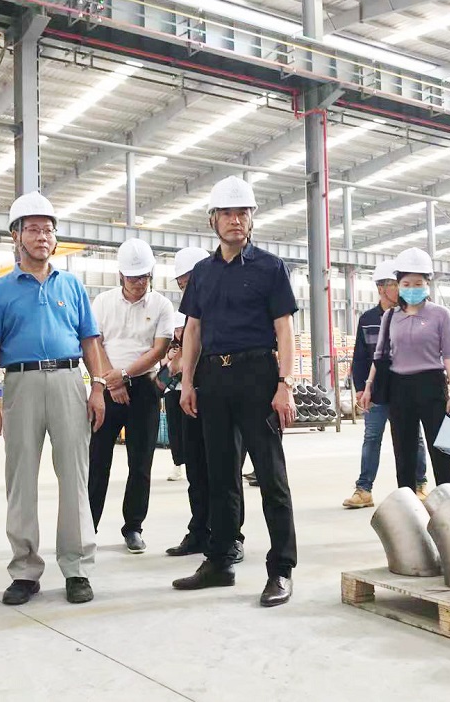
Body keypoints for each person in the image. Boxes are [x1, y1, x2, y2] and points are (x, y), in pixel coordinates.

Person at [174, 176, 299, 608]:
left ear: (252, 219)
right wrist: (187, 382)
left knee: (270, 476)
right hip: (214, 380)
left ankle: (281, 569)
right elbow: (193, 330)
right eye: (227, 213)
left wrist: (284, 384)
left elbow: (285, 329)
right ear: (212, 220)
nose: (235, 220)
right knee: (220, 476)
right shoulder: (203, 274)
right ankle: (220, 560)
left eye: (242, 213)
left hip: (257, 376)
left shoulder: (270, 267)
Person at [0, 191, 106, 606]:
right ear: (15, 236)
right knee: (21, 479)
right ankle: (25, 570)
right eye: (32, 229)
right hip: (21, 384)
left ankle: (77, 567)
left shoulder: (72, 285)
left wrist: (98, 387)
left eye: (48, 230)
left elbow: (90, 341)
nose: (42, 237)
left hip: (69, 380)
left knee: (75, 476)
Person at [88, 239, 173, 554]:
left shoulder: (161, 305)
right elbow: (94, 343)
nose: (139, 283)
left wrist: (125, 375)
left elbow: (159, 350)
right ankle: (87, 526)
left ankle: (133, 527)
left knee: (140, 463)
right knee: (98, 460)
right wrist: (112, 381)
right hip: (107, 389)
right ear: (120, 275)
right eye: (133, 277)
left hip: (144, 390)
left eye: (144, 277)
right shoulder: (103, 302)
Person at [164, 246, 246, 562]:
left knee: (226, 471)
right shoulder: (185, 314)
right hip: (191, 396)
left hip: (221, 394)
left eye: (189, 282)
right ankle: (199, 530)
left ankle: (231, 536)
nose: (187, 288)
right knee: (196, 469)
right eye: (182, 284)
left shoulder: (224, 306)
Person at [358, 247, 450, 492]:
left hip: (432, 384)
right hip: (399, 387)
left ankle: (449, 498)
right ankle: (407, 499)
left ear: (428, 284)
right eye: (406, 283)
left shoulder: (440, 315)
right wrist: (368, 388)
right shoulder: (390, 317)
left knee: (440, 448)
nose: (412, 288)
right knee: (403, 449)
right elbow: (379, 356)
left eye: (418, 283)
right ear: (399, 285)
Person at [343, 261, 431, 508]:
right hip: (377, 391)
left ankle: (420, 484)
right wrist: (362, 388)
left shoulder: (410, 315)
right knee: (372, 438)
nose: (402, 289)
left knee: (414, 438)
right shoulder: (368, 319)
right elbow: (360, 356)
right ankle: (364, 490)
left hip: (405, 388)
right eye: (395, 284)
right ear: (381, 288)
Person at [160, 310, 189, 483]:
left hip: (188, 390)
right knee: (174, 429)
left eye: (181, 329)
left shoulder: (193, 342)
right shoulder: (169, 346)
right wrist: (169, 357)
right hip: (172, 391)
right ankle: (177, 464)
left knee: (189, 429)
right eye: (176, 330)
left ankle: (191, 463)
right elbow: (162, 369)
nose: (179, 333)